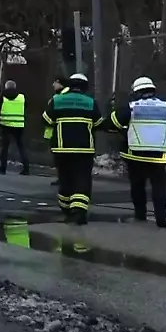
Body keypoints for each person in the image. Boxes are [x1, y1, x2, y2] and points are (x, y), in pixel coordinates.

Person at [109, 76, 166, 228]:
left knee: (138, 186)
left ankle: (140, 215)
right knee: (159, 187)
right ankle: (161, 219)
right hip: (159, 155)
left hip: (136, 154)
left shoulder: (132, 107)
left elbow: (113, 122)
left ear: (137, 91)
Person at [42, 73, 104, 225]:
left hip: (61, 148)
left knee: (65, 178)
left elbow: (46, 120)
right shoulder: (91, 102)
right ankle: (79, 211)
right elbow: (98, 123)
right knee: (82, 178)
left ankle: (66, 208)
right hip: (84, 149)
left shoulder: (57, 100)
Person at [0, 79, 29, 175]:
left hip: (5, 125)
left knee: (4, 148)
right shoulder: (22, 97)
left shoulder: (2, 97)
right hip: (19, 125)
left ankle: (2, 169)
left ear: (6, 87)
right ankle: (26, 168)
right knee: (21, 147)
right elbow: (26, 109)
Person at [46, 77, 69, 187]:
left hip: (59, 131)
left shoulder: (61, 97)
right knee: (58, 156)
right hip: (55, 131)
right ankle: (62, 177)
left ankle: (64, 178)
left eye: (55, 82)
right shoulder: (58, 96)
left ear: (61, 84)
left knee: (61, 156)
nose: (53, 85)